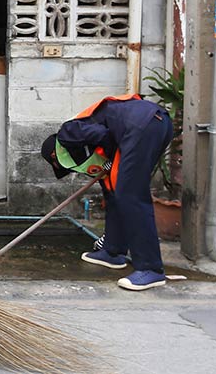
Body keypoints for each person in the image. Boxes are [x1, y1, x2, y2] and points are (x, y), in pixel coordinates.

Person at [41, 94, 173, 291]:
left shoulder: (68, 132)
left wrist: (111, 157)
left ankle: (151, 269)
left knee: (131, 195)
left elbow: (106, 136)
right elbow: (110, 185)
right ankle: (113, 252)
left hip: (141, 126)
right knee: (116, 192)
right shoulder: (84, 143)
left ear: (55, 154)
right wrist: (110, 164)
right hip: (156, 124)